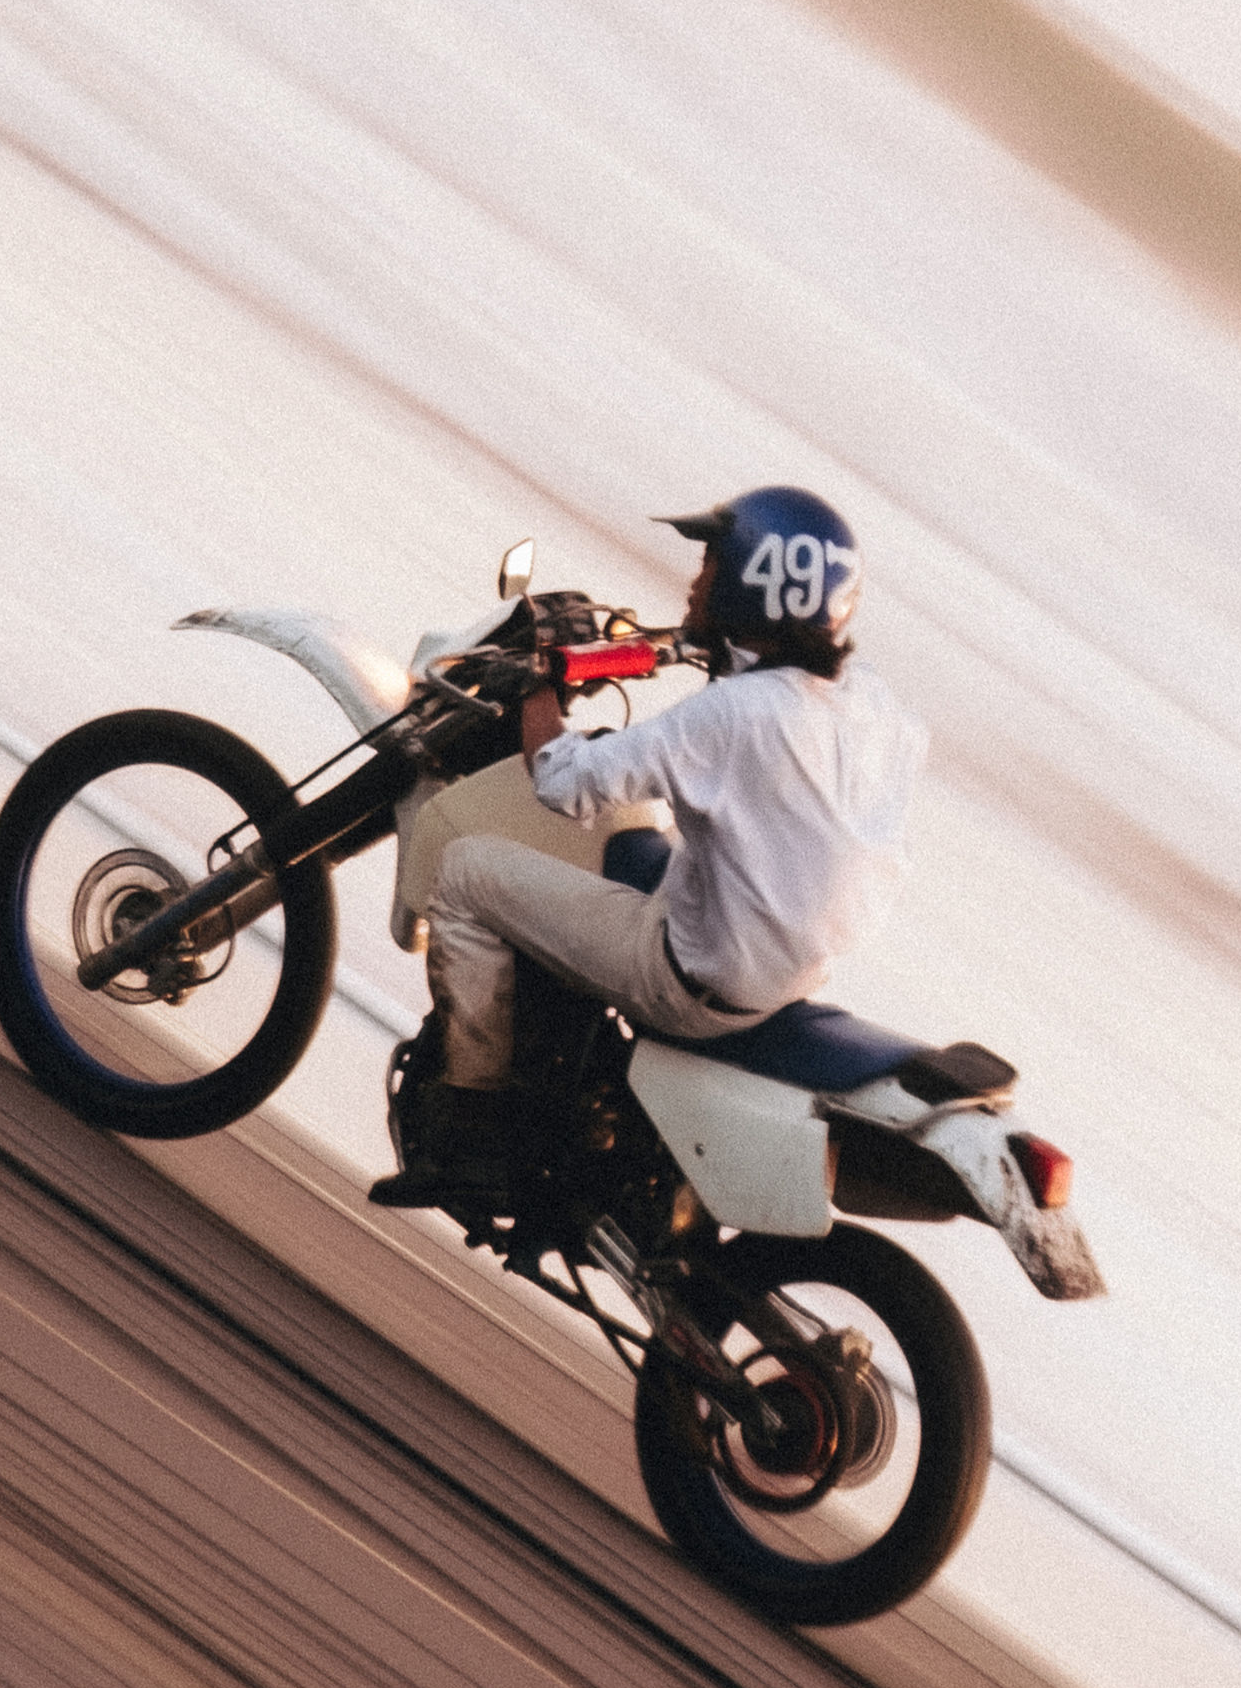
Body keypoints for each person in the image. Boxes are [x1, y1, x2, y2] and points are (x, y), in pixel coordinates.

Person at [384, 484, 927, 1201]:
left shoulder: (733, 715)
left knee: (466, 873)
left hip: (692, 979)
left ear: (751, 583)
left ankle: (470, 1131)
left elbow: (563, 781)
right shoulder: (869, 699)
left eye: (709, 567)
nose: (694, 582)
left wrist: (535, 683)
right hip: (783, 969)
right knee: (636, 842)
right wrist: (692, 648)